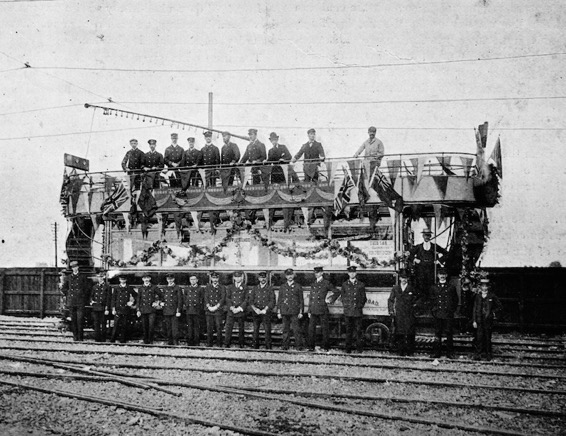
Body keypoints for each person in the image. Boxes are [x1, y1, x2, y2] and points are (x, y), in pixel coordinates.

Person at [329, 266, 367, 353]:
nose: (352, 274)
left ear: (356, 273)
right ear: (348, 274)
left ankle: (359, 349)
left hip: (357, 312)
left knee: (358, 331)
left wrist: (359, 306)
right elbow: (343, 297)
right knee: (348, 331)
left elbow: (363, 298)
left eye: (353, 272)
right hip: (348, 312)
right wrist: (347, 306)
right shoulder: (345, 284)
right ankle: (348, 349)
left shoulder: (361, 285)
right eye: (350, 272)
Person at [407, 229, 448, 300]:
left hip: (431, 271)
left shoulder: (434, 246)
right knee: (421, 289)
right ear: (423, 236)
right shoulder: (418, 247)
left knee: (431, 288)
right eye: (425, 235)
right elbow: (409, 254)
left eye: (428, 235)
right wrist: (415, 260)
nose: (427, 237)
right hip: (420, 272)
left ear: (430, 236)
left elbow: (446, 253)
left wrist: (438, 261)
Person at [387, 270, 420, 356]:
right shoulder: (395, 288)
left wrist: (415, 306)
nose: (404, 280)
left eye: (405, 278)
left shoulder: (412, 288)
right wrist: (391, 310)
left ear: (408, 279)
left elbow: (418, 299)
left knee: (410, 333)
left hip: (409, 313)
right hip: (399, 313)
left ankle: (410, 351)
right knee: (400, 332)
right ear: (400, 278)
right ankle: (400, 351)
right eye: (402, 278)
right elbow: (390, 300)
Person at [429, 267, 459, 359]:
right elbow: (431, 301)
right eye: (440, 274)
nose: (442, 276)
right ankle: (436, 353)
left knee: (449, 333)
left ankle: (450, 353)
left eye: (444, 274)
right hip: (438, 314)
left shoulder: (451, 287)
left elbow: (455, 300)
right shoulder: (433, 287)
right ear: (438, 276)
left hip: (448, 314)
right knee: (437, 333)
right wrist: (434, 310)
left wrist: (451, 310)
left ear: (446, 276)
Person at [473, 276, 502, 361]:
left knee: (487, 338)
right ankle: (478, 354)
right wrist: (474, 320)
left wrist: (493, 313)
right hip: (479, 320)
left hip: (488, 320)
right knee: (479, 337)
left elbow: (500, 306)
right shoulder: (477, 296)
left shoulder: (491, 296)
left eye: (486, 286)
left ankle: (488, 354)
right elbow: (474, 309)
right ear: (480, 287)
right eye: (483, 286)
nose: (484, 287)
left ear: (488, 287)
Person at [307, 266, 335, 351]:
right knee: (311, 329)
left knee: (325, 329)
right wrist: (309, 310)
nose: (316, 274)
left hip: (322, 308)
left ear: (322, 273)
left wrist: (330, 299)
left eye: (318, 272)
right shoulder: (313, 283)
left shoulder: (326, 283)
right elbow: (311, 298)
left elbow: (337, 291)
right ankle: (311, 347)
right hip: (313, 309)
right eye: (315, 273)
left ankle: (325, 347)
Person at [60, 260, 89, 342]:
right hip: (72, 301)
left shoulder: (83, 277)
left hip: (80, 301)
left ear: (78, 267)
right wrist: (68, 294)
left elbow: (87, 288)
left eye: (75, 267)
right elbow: (64, 288)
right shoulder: (69, 277)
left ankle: (80, 337)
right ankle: (75, 337)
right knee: (73, 320)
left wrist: (83, 295)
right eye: (73, 267)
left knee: (80, 320)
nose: (74, 269)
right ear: (72, 269)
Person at [277, 268, 305, 350]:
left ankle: (299, 346)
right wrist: (279, 312)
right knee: (285, 330)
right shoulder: (282, 287)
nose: (290, 276)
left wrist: (301, 312)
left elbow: (301, 300)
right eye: (288, 275)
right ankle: (285, 346)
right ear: (286, 276)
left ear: (293, 275)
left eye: (291, 275)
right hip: (285, 311)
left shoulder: (298, 286)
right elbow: (280, 300)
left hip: (295, 311)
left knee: (296, 329)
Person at [248, 271, 276, 349]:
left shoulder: (270, 289)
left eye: (264, 278)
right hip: (256, 312)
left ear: (266, 279)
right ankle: (255, 345)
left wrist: (265, 309)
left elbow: (272, 301)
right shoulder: (255, 288)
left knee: (267, 329)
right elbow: (250, 301)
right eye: (261, 278)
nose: (263, 279)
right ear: (258, 278)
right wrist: (255, 309)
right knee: (255, 329)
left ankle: (268, 346)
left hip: (265, 312)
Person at [224, 271, 248, 348]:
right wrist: (231, 307)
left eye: (239, 277)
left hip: (240, 310)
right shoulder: (230, 287)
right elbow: (227, 298)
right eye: (236, 277)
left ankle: (241, 344)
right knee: (228, 328)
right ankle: (227, 343)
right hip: (232, 310)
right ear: (234, 278)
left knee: (241, 328)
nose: (237, 278)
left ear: (242, 278)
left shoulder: (245, 287)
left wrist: (240, 308)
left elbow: (246, 299)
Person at [135, 273, 161, 344]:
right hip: (143, 309)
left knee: (151, 325)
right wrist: (138, 310)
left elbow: (161, 295)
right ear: (142, 279)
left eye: (147, 278)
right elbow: (138, 300)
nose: (146, 279)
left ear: (150, 279)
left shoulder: (154, 287)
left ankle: (151, 340)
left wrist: (157, 302)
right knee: (144, 326)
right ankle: (145, 340)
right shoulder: (140, 288)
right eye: (144, 278)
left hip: (151, 310)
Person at [110, 275, 137, 343]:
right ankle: (113, 339)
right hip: (118, 309)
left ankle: (123, 340)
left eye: (124, 279)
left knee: (124, 325)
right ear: (119, 280)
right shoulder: (116, 288)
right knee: (116, 325)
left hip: (126, 309)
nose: (122, 281)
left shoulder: (129, 288)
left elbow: (136, 296)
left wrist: (132, 302)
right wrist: (113, 309)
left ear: (126, 280)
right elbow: (113, 299)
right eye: (121, 279)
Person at [204, 271, 225, 347]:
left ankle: (219, 344)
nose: (215, 279)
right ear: (211, 278)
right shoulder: (208, 287)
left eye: (216, 278)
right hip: (209, 310)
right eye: (213, 278)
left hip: (218, 310)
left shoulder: (222, 287)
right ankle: (209, 343)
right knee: (209, 327)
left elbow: (222, 298)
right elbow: (206, 298)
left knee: (218, 327)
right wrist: (209, 307)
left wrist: (216, 307)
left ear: (218, 278)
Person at [182, 272, 204, 346]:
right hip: (189, 310)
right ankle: (190, 342)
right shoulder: (187, 289)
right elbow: (185, 298)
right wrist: (186, 306)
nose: (193, 281)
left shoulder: (200, 289)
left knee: (197, 326)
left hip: (197, 310)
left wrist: (199, 307)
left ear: (197, 280)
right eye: (191, 279)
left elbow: (202, 299)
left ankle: (197, 342)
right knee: (189, 326)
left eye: (194, 279)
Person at [161, 274, 182, 345]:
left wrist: (178, 310)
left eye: (171, 279)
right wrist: (161, 303)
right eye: (168, 279)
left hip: (174, 310)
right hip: (166, 310)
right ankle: (169, 341)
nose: (170, 280)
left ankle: (175, 341)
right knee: (168, 327)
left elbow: (180, 300)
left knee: (175, 327)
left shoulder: (177, 288)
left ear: (173, 279)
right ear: (167, 280)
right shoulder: (165, 288)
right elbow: (162, 298)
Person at [90, 271, 111, 343]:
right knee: (96, 323)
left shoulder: (107, 287)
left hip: (103, 307)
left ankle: (103, 339)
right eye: (99, 277)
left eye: (101, 277)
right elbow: (91, 296)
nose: (100, 279)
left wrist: (107, 308)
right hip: (96, 307)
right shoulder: (95, 287)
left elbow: (108, 298)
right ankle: (97, 339)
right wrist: (91, 302)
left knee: (103, 324)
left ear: (104, 278)